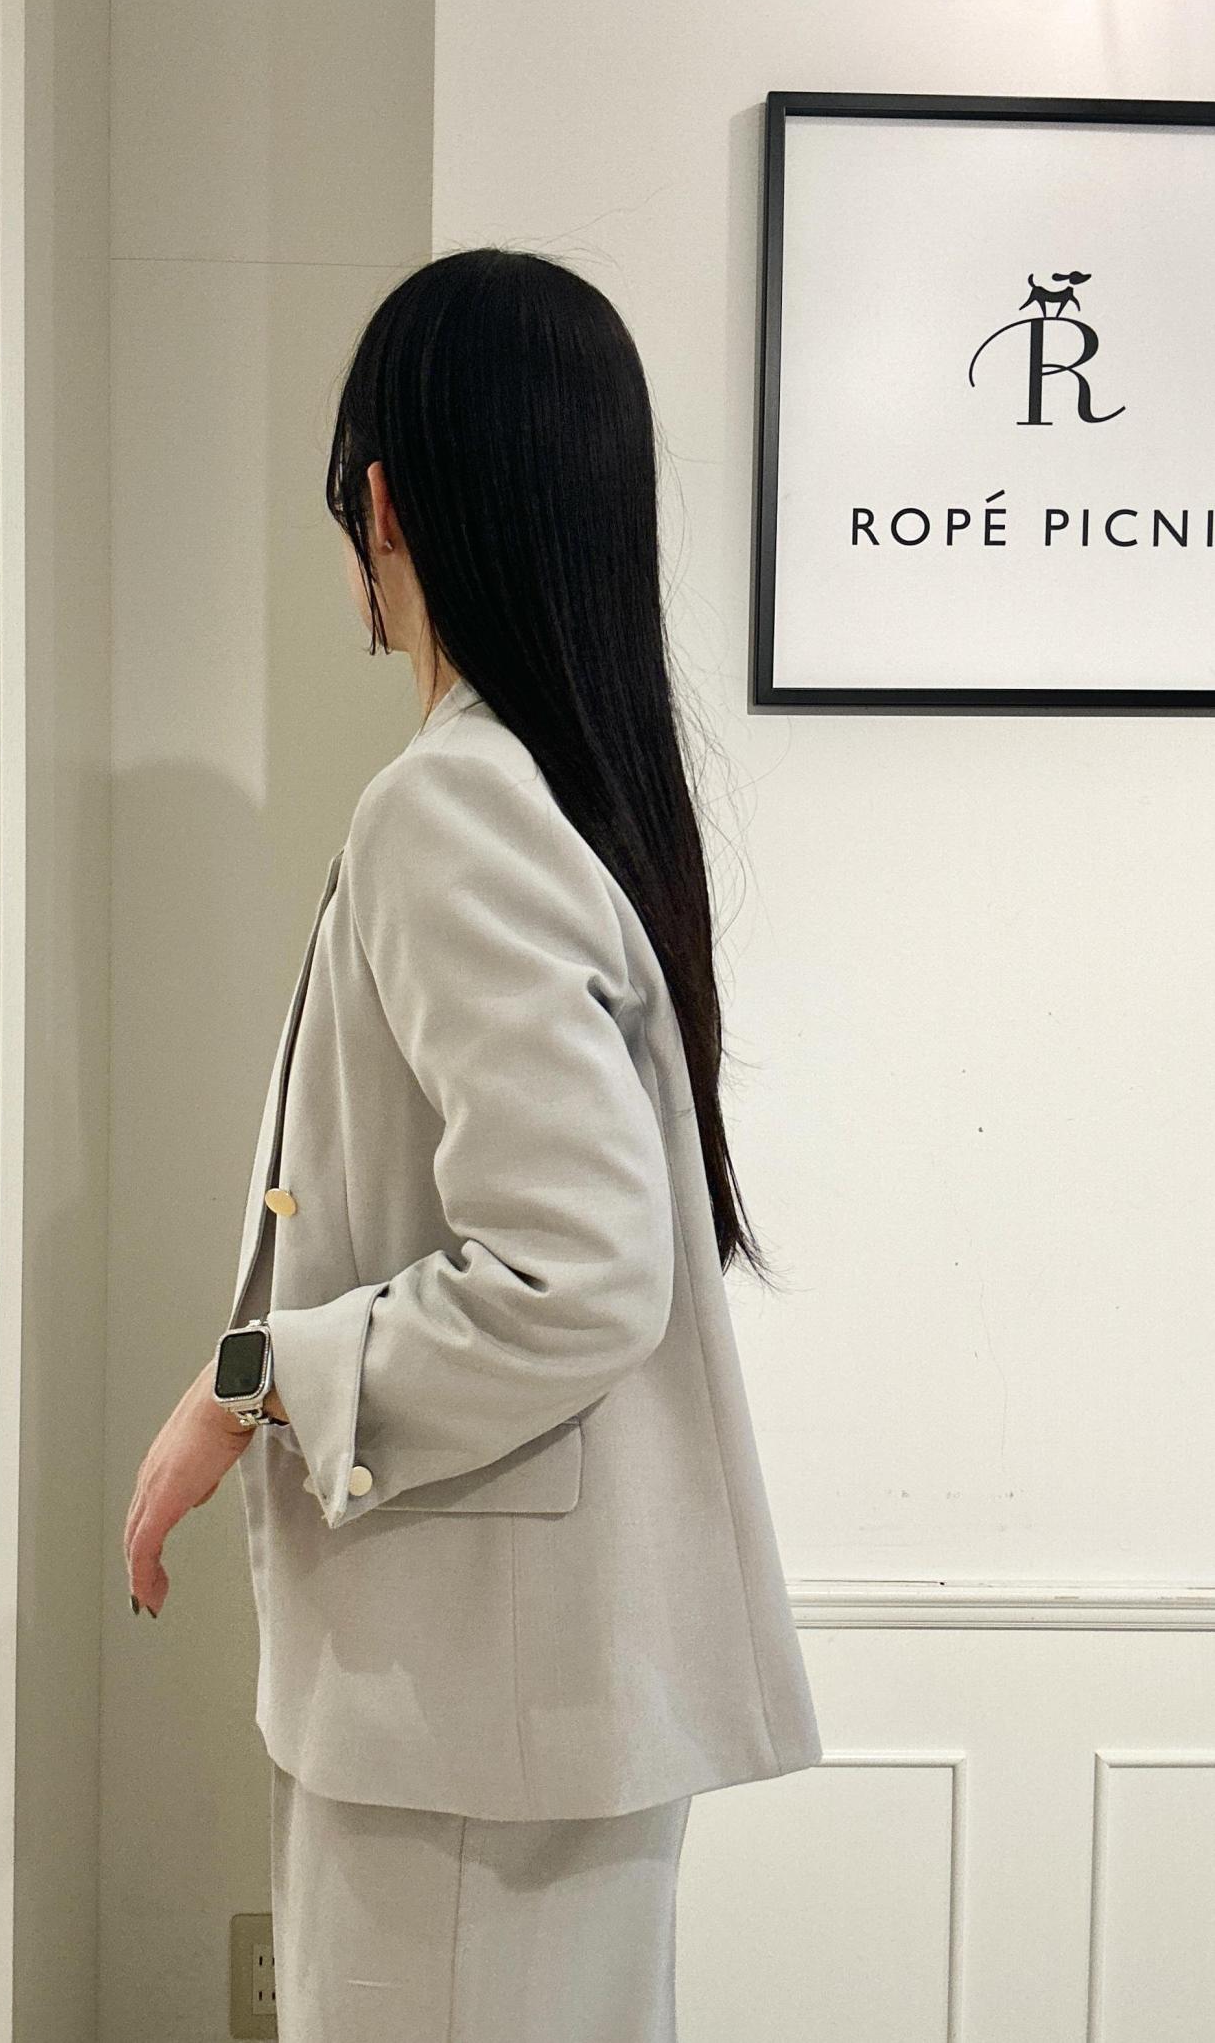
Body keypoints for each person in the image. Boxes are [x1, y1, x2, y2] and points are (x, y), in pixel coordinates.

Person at [124, 246, 822, 2043]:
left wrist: (250, 1382)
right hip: (524, 1698)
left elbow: (576, 1271)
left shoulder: (449, 804)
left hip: (468, 1720)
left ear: (381, 501)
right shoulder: (561, 787)